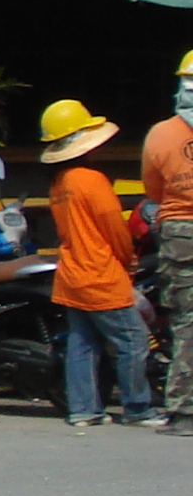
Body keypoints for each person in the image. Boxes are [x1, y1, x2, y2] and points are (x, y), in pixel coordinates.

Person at [39, 99, 163, 430]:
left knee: (82, 344)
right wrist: (128, 262)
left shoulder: (59, 184)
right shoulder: (91, 180)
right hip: (101, 275)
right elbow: (115, 231)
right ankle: (138, 407)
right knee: (133, 341)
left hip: (72, 276)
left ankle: (83, 410)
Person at [144, 51, 193, 433]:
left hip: (180, 232)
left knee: (186, 321)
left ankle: (185, 410)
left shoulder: (161, 133)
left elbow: (152, 190)